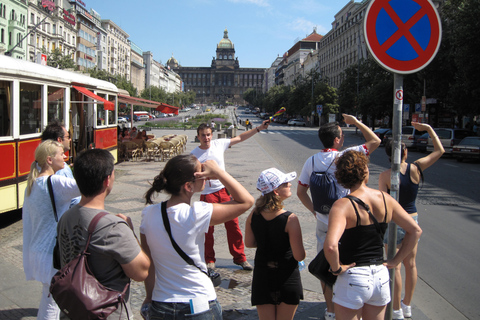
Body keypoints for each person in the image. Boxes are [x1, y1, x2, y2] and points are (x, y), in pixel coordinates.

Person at [140, 154, 254, 319]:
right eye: (201, 173)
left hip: (161, 303)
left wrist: (149, 297)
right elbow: (246, 201)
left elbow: (148, 264)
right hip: (198, 303)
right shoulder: (196, 213)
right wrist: (219, 172)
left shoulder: (148, 214)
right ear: (188, 186)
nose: (206, 177)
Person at [296, 114, 381, 320]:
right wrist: (357, 122)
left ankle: (331, 311)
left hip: (323, 222)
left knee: (326, 267)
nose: (343, 139)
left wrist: (315, 211)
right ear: (336, 140)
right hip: (347, 221)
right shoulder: (347, 156)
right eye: (341, 136)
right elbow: (375, 141)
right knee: (350, 265)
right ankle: (353, 309)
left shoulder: (311, 161)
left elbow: (300, 192)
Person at [324, 151, 422, 320]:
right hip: (380, 276)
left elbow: (331, 246)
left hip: (354, 276)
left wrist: (337, 268)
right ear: (365, 171)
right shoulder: (385, 198)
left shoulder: (342, 205)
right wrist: (395, 261)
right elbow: (415, 231)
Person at [57, 149, 150, 319]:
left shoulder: (65, 217)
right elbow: (141, 271)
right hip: (107, 312)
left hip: (73, 310)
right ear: (107, 180)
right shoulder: (113, 226)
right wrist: (131, 233)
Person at [378, 122, 444, 319]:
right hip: (412, 220)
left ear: (389, 155)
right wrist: (430, 129)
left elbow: (384, 205)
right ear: (405, 153)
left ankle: (396, 308)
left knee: (394, 265)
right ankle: (407, 305)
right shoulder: (416, 169)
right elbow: (439, 151)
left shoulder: (385, 176)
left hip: (394, 222)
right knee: (411, 264)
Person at [191, 120, 269, 270]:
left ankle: (240, 258)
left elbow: (240, 138)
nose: (206, 138)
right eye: (203, 136)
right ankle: (209, 260)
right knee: (207, 230)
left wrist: (258, 129)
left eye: (208, 135)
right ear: (198, 136)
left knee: (233, 226)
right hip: (207, 195)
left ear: (211, 135)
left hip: (224, 191)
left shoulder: (219, 144)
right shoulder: (193, 155)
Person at [22, 140, 80, 320]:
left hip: (38, 250)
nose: (65, 156)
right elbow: (88, 186)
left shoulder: (33, 183)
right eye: (60, 154)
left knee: (48, 297)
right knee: (52, 303)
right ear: (49, 159)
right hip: (52, 255)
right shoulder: (55, 182)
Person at [245, 168, 306, 320]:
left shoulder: (254, 214)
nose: (290, 185)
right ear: (276, 191)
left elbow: (249, 243)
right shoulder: (290, 219)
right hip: (286, 276)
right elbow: (299, 255)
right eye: (286, 183)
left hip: (262, 276)